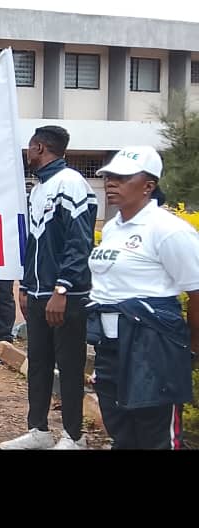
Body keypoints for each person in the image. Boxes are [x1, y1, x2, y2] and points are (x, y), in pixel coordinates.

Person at [87, 146, 199, 449]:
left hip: (153, 345)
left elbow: (196, 291)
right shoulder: (113, 228)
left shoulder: (169, 230)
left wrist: (190, 349)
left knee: (156, 437)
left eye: (123, 178)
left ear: (149, 186)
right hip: (111, 345)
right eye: (109, 177)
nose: (111, 183)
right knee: (121, 432)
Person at [0, 125, 96, 450]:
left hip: (65, 297)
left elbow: (79, 243)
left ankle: (74, 435)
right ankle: (39, 430)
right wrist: (26, 286)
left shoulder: (71, 183)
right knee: (38, 364)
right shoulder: (39, 189)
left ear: (39, 147)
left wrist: (62, 289)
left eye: (29, 147)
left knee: (69, 366)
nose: (27, 153)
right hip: (39, 294)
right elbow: (34, 245)